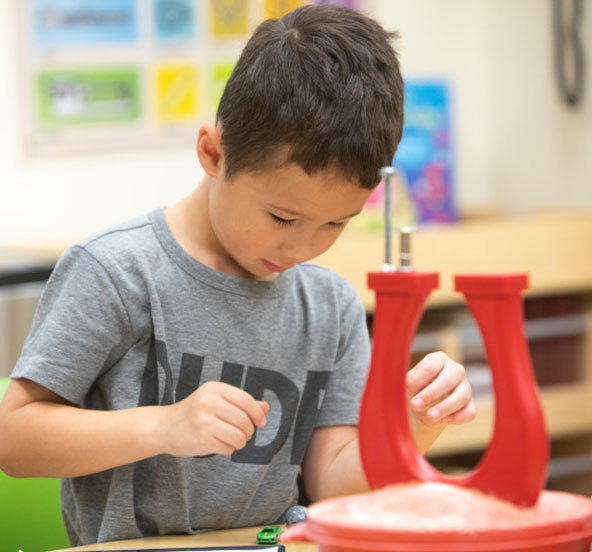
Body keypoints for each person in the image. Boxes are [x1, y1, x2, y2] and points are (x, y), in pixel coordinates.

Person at [0, 4, 475, 547]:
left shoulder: (331, 309)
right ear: (212, 153)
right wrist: (165, 426)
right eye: (281, 217)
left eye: (336, 223)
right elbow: (14, 438)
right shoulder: (116, 270)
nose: (303, 247)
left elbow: (334, 488)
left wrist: (414, 425)